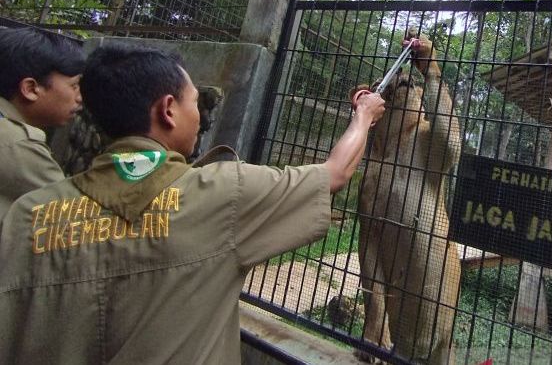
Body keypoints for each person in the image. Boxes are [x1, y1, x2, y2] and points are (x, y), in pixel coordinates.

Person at [0, 43, 385, 364]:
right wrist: (364, 116)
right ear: (168, 109)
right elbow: (334, 174)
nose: (199, 115)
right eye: (194, 102)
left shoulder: (27, 214)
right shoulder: (223, 193)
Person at [0, 27, 84, 219]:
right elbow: (74, 215)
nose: (79, 97)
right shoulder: (19, 145)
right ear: (30, 88)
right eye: (74, 86)